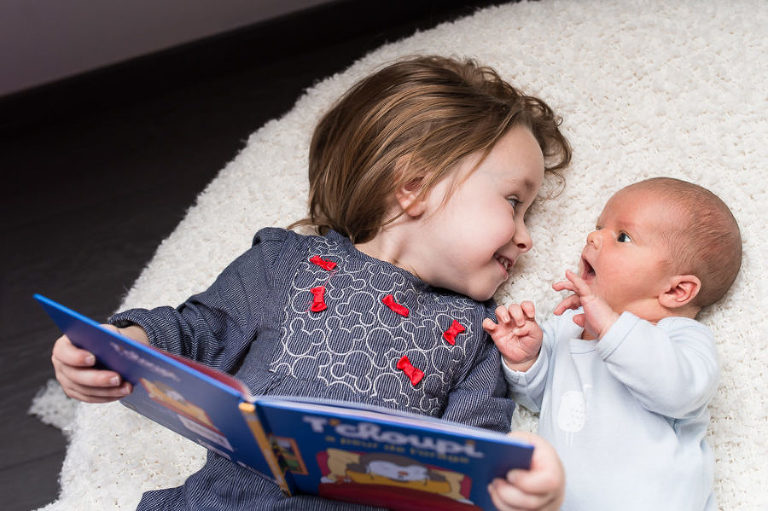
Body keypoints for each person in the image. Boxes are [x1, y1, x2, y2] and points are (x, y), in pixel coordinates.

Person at [51, 55, 571, 510]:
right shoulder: (287, 263)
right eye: (513, 203)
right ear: (414, 187)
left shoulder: (477, 332)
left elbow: (474, 453)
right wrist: (118, 347)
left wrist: (519, 493)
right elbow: (200, 329)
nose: (526, 239)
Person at [483, 177, 742, 511]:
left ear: (677, 291)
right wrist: (527, 360)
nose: (593, 237)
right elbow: (541, 401)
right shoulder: (568, 326)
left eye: (623, 236)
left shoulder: (681, 338)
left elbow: (678, 391)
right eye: (598, 226)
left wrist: (609, 326)